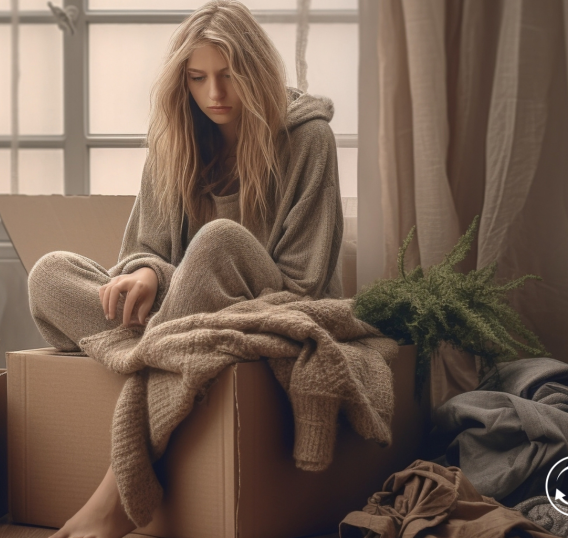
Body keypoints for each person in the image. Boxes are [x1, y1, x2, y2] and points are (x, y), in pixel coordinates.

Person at [26, 1, 343, 536]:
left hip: (270, 313)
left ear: (258, 73)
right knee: (48, 273)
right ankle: (167, 353)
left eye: (229, 77)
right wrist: (148, 273)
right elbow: (143, 250)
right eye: (198, 78)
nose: (215, 95)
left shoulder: (310, 140)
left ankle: (115, 496)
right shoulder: (173, 143)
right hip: (181, 314)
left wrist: (178, 277)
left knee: (218, 241)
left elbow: (306, 285)